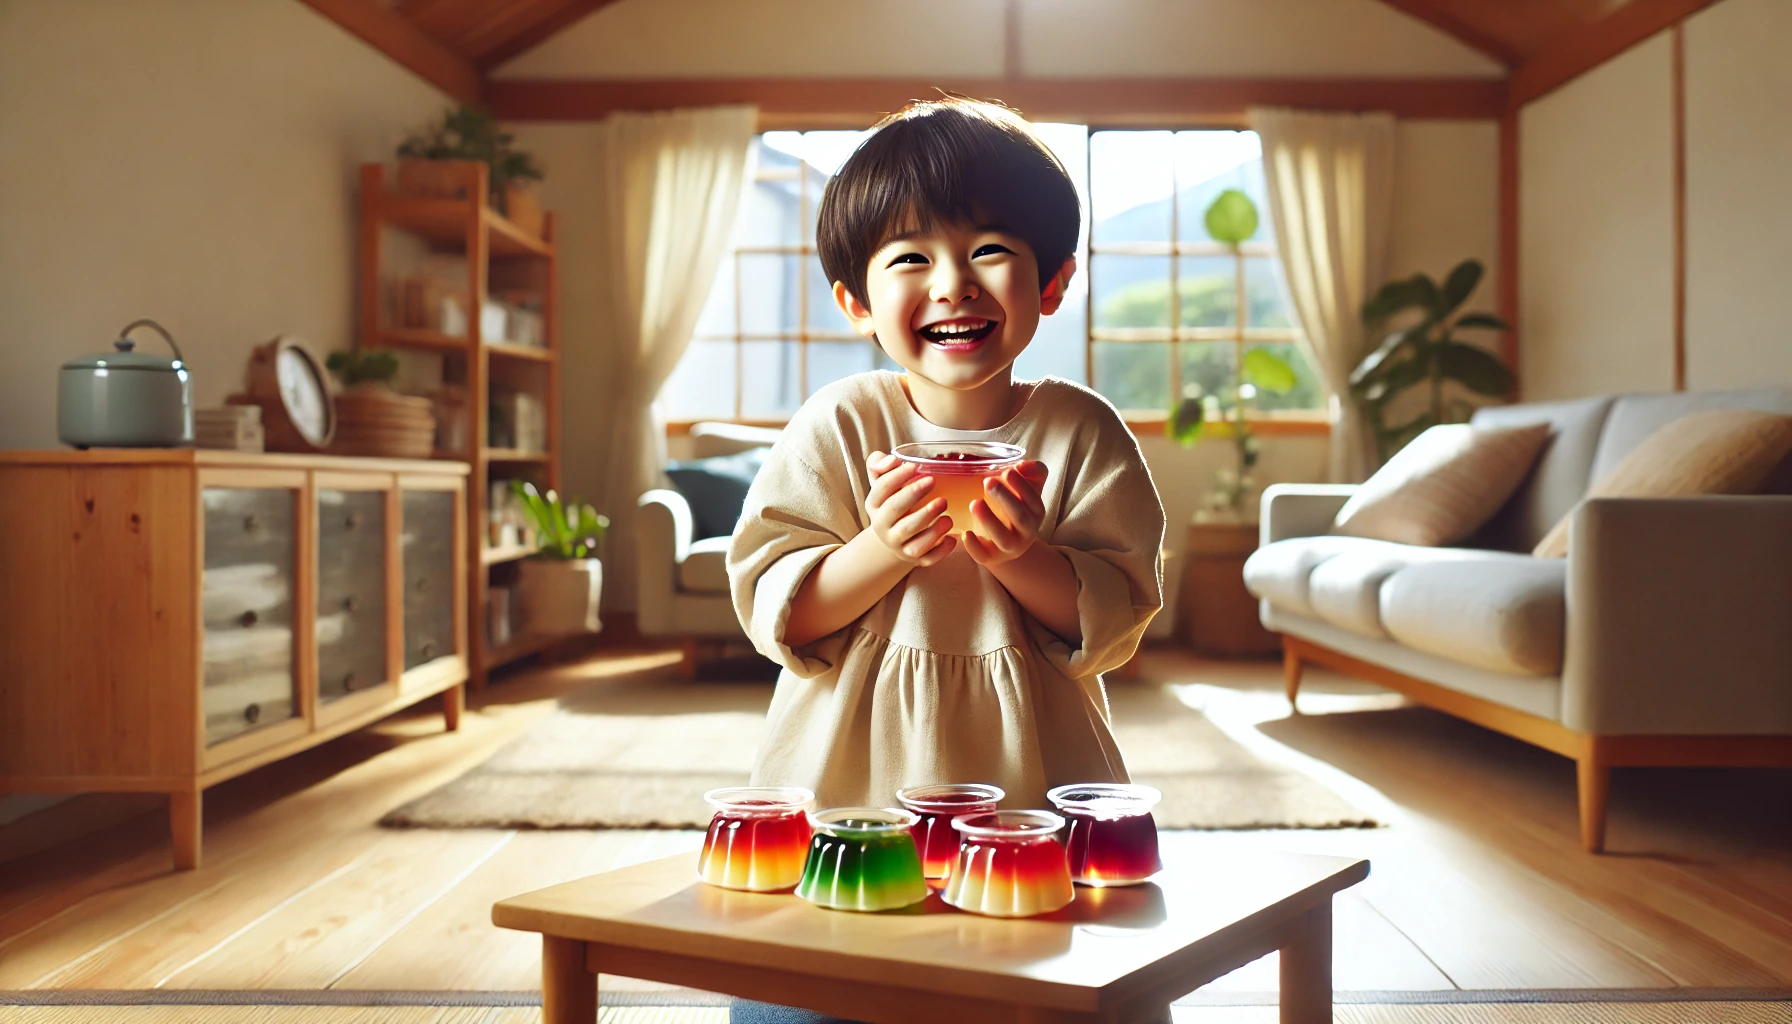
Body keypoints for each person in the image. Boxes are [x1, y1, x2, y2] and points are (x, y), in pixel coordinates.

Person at [727, 96, 1166, 819]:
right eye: (910, 258)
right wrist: (884, 548)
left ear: (1053, 281)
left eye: (989, 250)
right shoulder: (840, 424)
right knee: (850, 919)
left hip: (1033, 760)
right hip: (851, 760)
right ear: (856, 303)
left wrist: (1018, 556)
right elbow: (781, 616)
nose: (953, 283)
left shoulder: (1081, 430)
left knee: (1026, 914)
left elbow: (1109, 624)